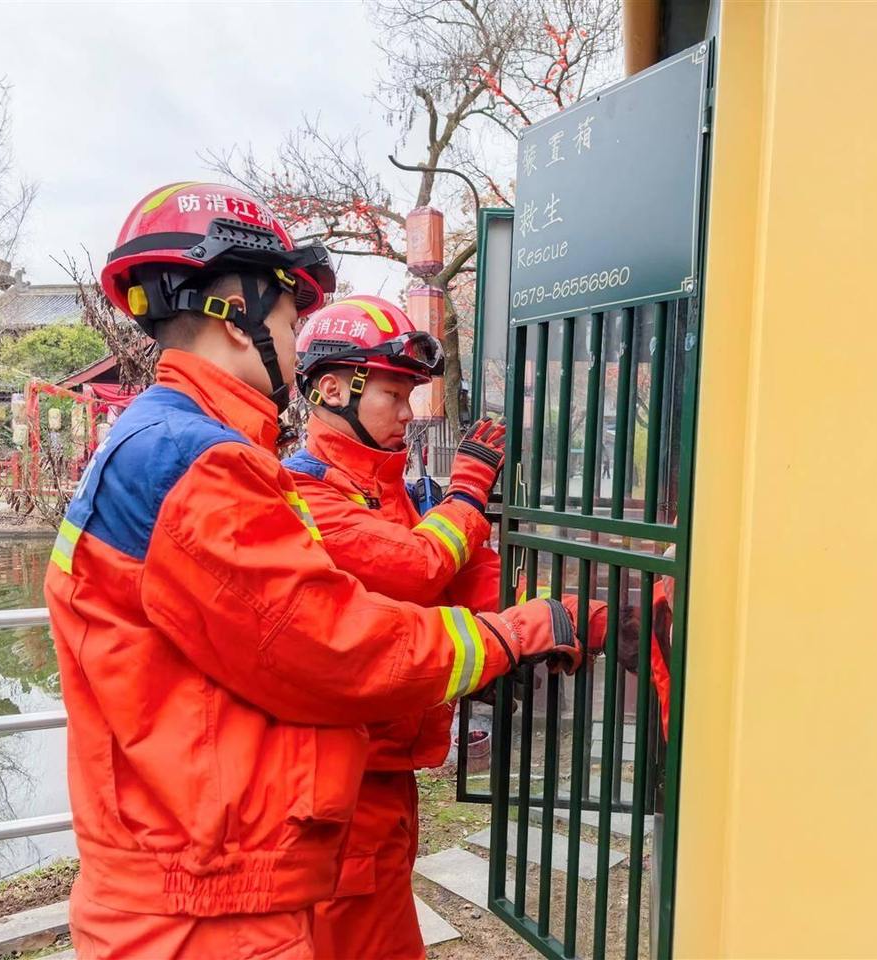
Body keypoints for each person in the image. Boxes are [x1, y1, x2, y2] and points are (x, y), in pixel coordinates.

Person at [44, 183, 597, 960]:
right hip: (208, 899)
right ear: (233, 314)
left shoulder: (179, 447)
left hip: (224, 867)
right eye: (287, 318)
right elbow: (338, 643)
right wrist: (507, 634)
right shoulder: (200, 464)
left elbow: (445, 581)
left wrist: (572, 615)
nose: (293, 339)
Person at [284, 295, 611, 959]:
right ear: (331, 389)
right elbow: (416, 566)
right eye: (393, 393)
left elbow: (471, 583)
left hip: (385, 770)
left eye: (410, 394)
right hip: (336, 785)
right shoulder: (303, 492)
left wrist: (595, 618)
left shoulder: (389, 489)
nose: (408, 412)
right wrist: (467, 492)